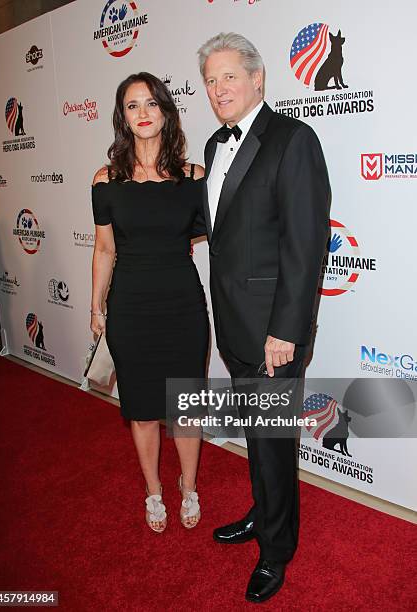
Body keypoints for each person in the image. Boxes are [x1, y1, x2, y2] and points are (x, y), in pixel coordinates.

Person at [197, 33, 330, 602]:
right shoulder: (211, 146)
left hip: (274, 334)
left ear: (258, 80)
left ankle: (277, 551)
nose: (219, 88)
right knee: (258, 435)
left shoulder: (293, 140)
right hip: (234, 325)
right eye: (210, 79)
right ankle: (263, 511)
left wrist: (285, 330)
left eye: (230, 76)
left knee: (273, 441)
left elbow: (307, 245)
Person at [90, 72, 209, 533]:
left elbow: (216, 235)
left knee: (186, 404)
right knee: (141, 406)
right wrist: (96, 308)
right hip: (131, 308)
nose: (142, 113)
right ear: (123, 117)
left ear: (165, 111)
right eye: (132, 105)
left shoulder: (193, 177)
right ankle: (154, 492)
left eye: (151, 103)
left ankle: (190, 486)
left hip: (182, 306)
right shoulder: (106, 180)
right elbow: (103, 250)